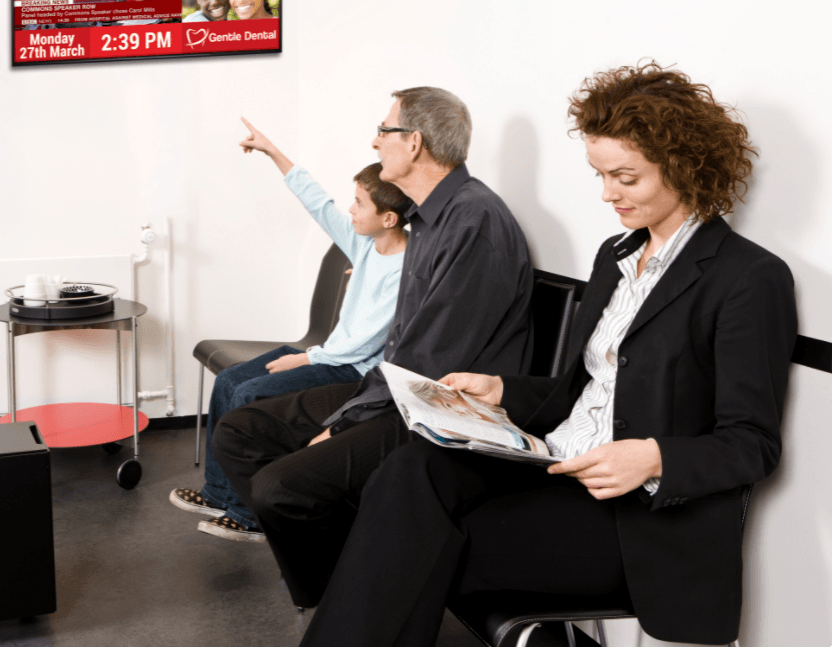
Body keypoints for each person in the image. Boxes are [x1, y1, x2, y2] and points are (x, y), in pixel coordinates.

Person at [299, 62, 797, 647]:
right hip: (553, 464)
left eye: (626, 178)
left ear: (685, 169)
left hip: (633, 517)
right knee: (410, 470)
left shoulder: (748, 277)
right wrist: (501, 390)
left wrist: (653, 457)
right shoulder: (616, 257)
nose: (609, 194)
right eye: (601, 176)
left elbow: (752, 443)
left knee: (409, 538)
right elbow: (581, 391)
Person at [212, 87, 534, 607]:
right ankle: (347, 573)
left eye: (383, 132)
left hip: (440, 410)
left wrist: (344, 422)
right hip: (398, 391)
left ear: (413, 143)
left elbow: (430, 362)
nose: (374, 141)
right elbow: (407, 347)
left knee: (279, 487)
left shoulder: (473, 222)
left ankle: (349, 592)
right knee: (240, 432)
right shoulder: (431, 220)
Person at [171, 118, 412, 542]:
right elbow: (318, 203)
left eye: (358, 204)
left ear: (388, 217)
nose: (350, 211)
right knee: (229, 380)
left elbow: (365, 343)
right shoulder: (364, 242)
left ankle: (249, 515)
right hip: (327, 354)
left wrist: (307, 357)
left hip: (351, 370)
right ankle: (219, 491)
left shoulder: (405, 270)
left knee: (249, 394)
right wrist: (272, 151)